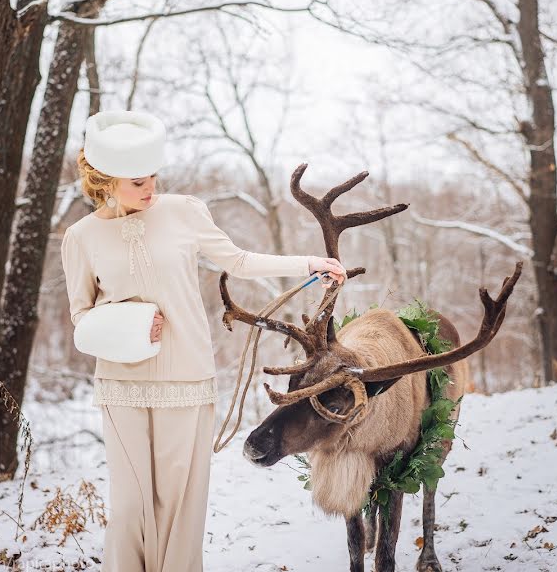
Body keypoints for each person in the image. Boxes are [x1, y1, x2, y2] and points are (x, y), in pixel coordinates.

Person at [60, 110, 347, 572]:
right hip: (120, 382)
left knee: (180, 500)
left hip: (186, 373)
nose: (150, 187)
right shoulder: (80, 237)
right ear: (105, 179)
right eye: (137, 181)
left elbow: (239, 260)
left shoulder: (184, 211)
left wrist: (308, 263)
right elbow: (81, 318)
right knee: (131, 502)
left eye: (153, 175)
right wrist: (130, 325)